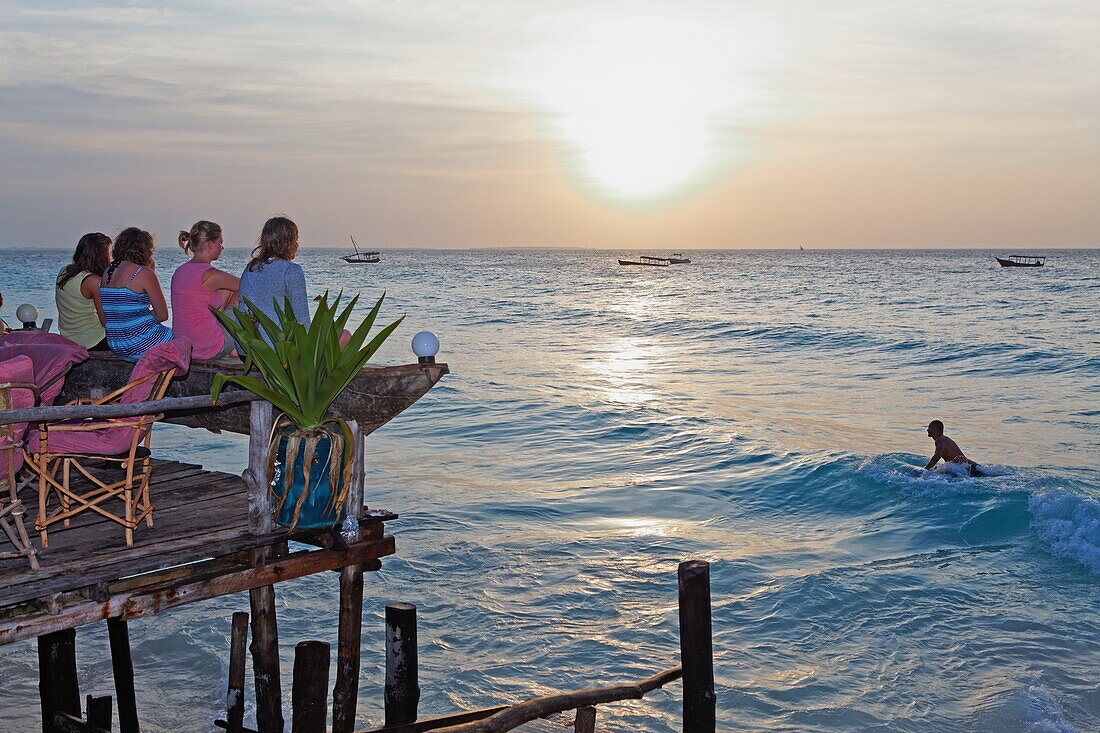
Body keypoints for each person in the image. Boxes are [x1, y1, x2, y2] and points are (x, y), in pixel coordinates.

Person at [238, 216, 350, 346]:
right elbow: (301, 320)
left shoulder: (250, 267)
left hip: (246, 348)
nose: (297, 244)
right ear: (288, 242)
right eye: (296, 239)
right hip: (277, 350)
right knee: (345, 336)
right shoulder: (291, 270)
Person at [95, 227, 173, 361]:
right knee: (184, 339)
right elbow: (162, 315)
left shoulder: (108, 271)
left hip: (117, 344)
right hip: (138, 343)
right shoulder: (143, 272)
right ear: (146, 249)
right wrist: (150, 271)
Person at [171, 220, 240, 360]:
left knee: (226, 289)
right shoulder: (211, 275)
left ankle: (229, 342)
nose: (222, 247)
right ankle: (237, 347)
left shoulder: (179, 271)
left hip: (184, 348)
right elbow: (247, 286)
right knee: (241, 293)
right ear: (210, 244)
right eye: (220, 243)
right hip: (208, 349)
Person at [55, 232, 111, 350]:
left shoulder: (64, 272)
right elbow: (106, 322)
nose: (110, 257)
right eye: (108, 253)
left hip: (69, 338)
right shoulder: (93, 281)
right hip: (93, 340)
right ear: (101, 256)